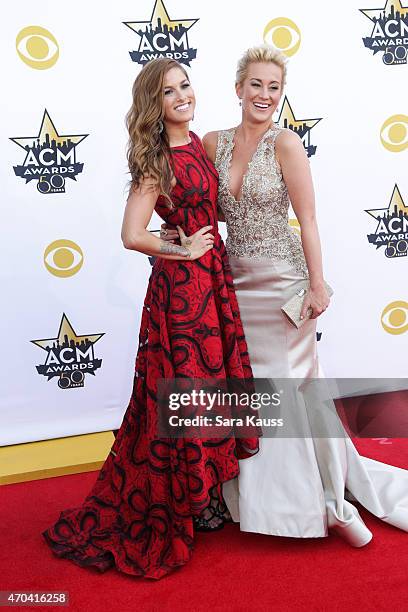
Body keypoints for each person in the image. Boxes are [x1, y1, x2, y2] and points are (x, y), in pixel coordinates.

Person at [162, 45, 408, 547]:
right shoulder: (212, 143)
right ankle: (253, 499)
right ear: (238, 88)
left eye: (274, 88)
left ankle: (323, 503)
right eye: (256, 84)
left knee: (289, 388)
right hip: (231, 284)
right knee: (250, 393)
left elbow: (309, 220)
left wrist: (318, 283)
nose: (265, 95)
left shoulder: (287, 144)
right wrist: (172, 238)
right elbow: (194, 208)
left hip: (282, 284)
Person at [42, 58, 258, 579]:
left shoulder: (200, 144)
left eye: (185, 84)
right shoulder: (156, 160)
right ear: (153, 104)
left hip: (213, 282)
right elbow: (131, 234)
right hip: (183, 292)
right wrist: (181, 248)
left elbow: (214, 206)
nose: (182, 95)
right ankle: (186, 501)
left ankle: (205, 497)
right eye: (168, 91)